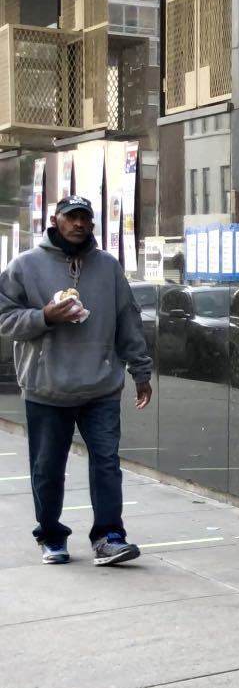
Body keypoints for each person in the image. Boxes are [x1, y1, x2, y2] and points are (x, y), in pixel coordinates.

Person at [0, 196, 152, 566]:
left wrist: (140, 370)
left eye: (86, 218)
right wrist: (45, 317)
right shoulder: (25, 266)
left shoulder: (107, 267)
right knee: (47, 468)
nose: (79, 224)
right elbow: (5, 320)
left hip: (99, 387)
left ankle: (109, 536)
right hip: (47, 388)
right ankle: (50, 534)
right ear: (56, 220)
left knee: (106, 463)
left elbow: (127, 321)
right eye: (72, 217)